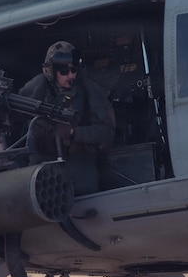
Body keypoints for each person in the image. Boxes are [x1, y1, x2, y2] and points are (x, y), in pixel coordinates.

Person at [18, 41, 116, 195]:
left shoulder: (89, 91)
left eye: (74, 70)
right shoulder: (36, 89)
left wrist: (73, 132)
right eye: (64, 72)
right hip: (44, 181)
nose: (71, 76)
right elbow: (19, 128)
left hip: (80, 178)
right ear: (51, 71)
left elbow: (107, 131)